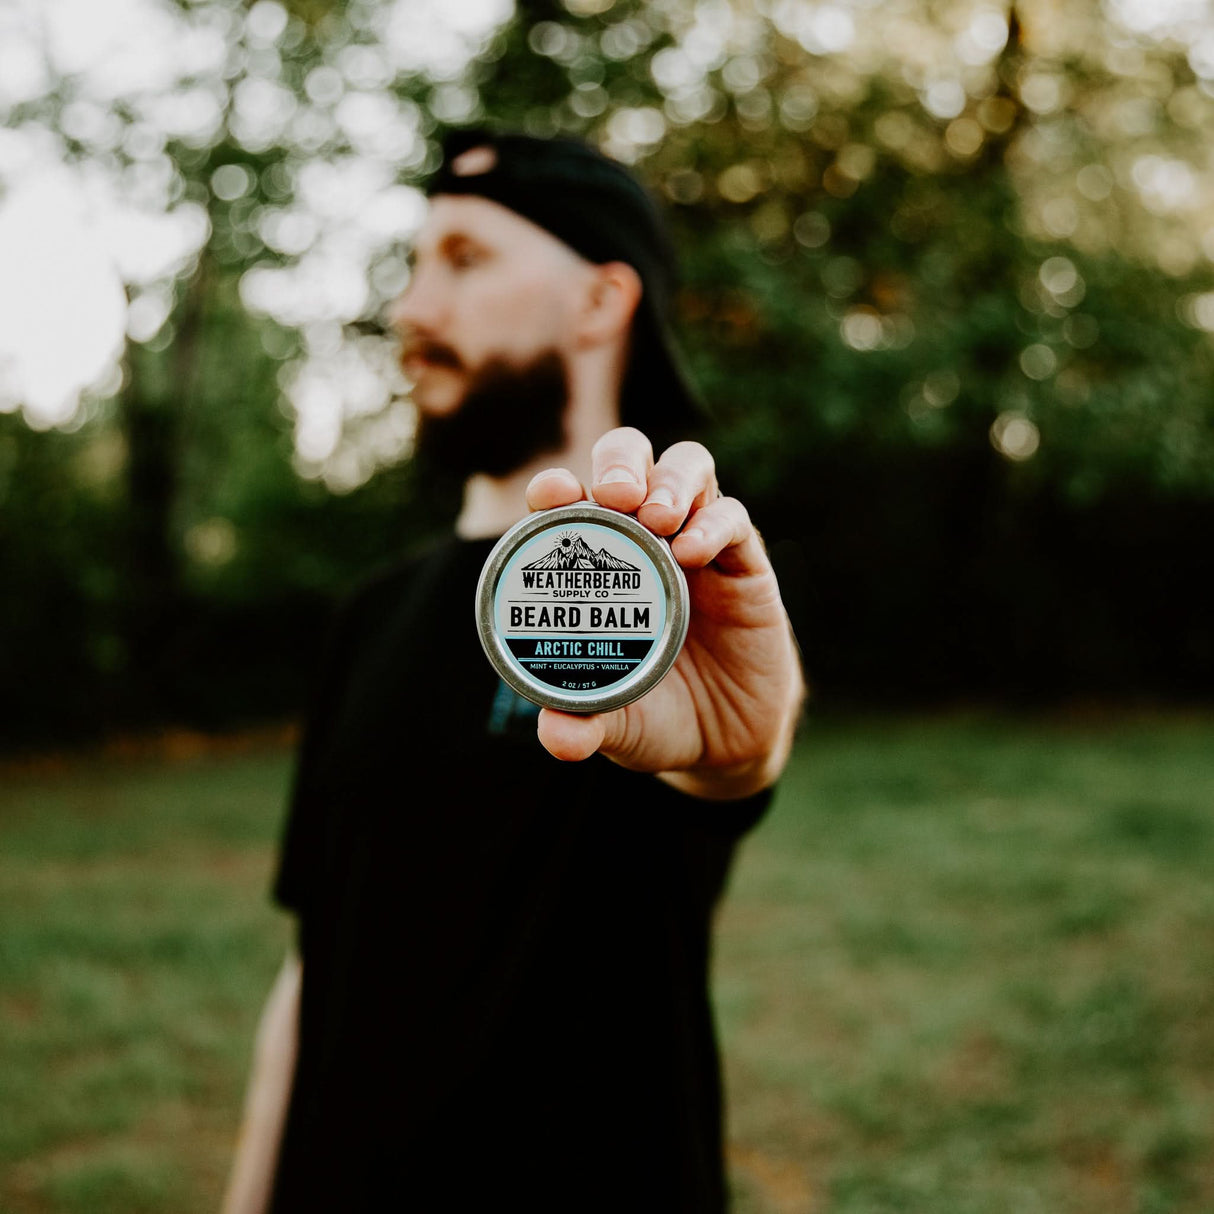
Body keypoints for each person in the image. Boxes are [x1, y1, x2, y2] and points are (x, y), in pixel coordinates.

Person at [221, 128, 804, 1214]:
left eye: (464, 258)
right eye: (412, 264)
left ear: (597, 302)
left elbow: (725, 764)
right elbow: (315, 962)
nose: (411, 308)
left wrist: (743, 745)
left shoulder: (684, 602)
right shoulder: (367, 616)